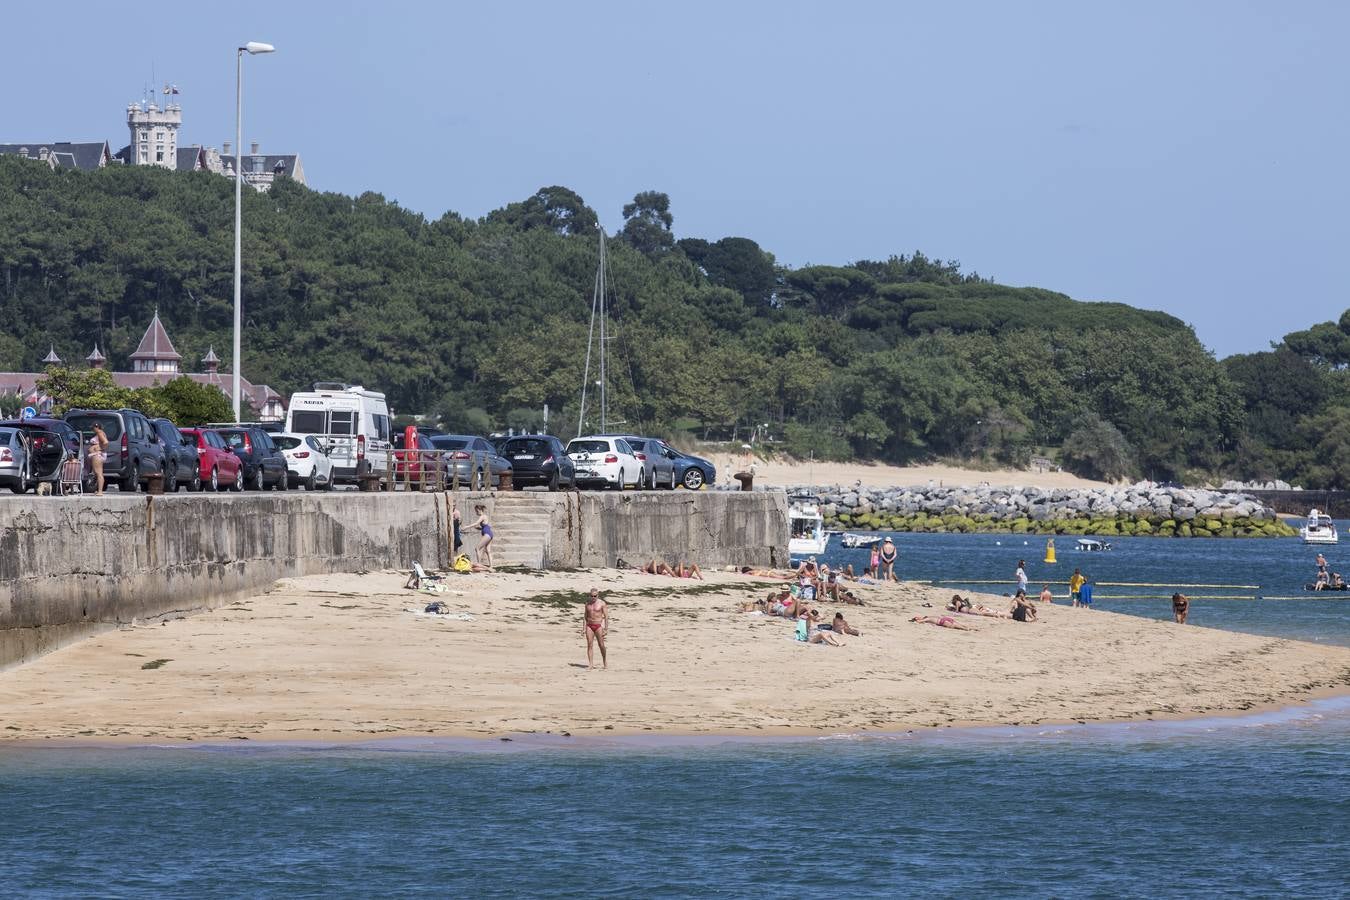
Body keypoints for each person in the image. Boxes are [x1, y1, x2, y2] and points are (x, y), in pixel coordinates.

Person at [583, 587, 608, 669]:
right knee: (589, 644)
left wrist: (606, 629)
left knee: (601, 645)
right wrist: (583, 628)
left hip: (598, 626)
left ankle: (604, 661)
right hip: (589, 625)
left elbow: (606, 617)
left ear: (598, 595)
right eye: (592, 596)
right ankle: (591, 664)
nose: (593, 597)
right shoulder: (587, 604)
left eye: (595, 596)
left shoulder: (602, 603)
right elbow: (585, 616)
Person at [87, 423, 108, 495]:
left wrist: (100, 448)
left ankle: (100, 491)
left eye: (93, 428)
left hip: (97, 455)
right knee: (97, 473)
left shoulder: (99, 432)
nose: (92, 430)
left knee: (99, 473)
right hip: (97, 454)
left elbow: (105, 442)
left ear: (97, 427)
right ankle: (98, 489)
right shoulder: (101, 433)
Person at [911, 614, 977, 631]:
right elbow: (920, 621)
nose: (918, 617)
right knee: (959, 625)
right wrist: (915, 620)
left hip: (942, 621)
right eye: (917, 617)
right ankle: (971, 628)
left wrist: (916, 621)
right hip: (944, 619)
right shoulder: (927, 618)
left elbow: (920, 621)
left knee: (957, 626)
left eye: (917, 617)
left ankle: (968, 629)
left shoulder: (927, 618)